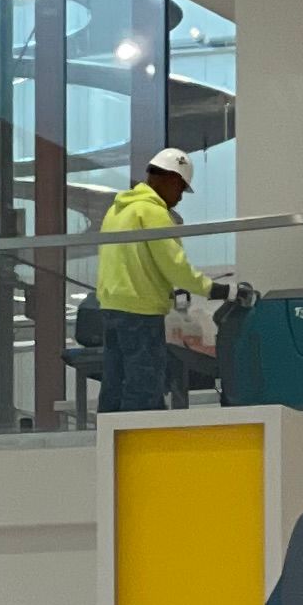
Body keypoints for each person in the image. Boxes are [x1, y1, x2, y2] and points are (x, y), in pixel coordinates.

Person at [87, 148, 211, 411]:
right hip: (140, 311)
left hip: (111, 308)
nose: (178, 199)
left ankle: (109, 443)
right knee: (145, 381)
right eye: (180, 190)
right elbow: (174, 266)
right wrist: (214, 289)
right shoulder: (151, 212)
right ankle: (141, 442)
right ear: (172, 180)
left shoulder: (117, 211)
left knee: (115, 381)